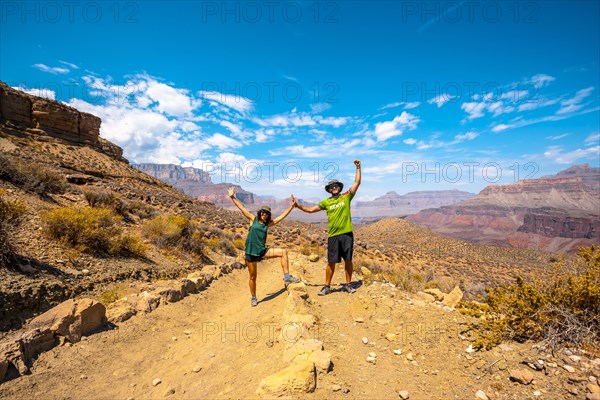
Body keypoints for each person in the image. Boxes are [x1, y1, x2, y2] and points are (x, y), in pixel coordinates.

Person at [295, 160, 361, 295]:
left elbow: (357, 183)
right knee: (331, 262)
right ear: (329, 190)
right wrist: (298, 206)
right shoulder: (326, 202)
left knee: (348, 261)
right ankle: (327, 286)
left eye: (336, 186)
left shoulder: (346, 197)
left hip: (347, 234)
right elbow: (310, 210)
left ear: (339, 187)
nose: (334, 188)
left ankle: (348, 284)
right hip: (333, 236)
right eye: (331, 187)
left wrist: (358, 168)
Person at [228, 187, 301, 307]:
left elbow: (281, 217)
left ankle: (287, 277)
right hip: (251, 253)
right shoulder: (253, 219)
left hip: (262, 252)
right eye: (262, 212)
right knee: (252, 276)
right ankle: (253, 297)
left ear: (268, 215)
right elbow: (242, 208)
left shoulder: (268, 224)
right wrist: (232, 197)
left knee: (284, 252)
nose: (264, 214)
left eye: (266, 213)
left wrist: (292, 207)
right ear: (259, 212)